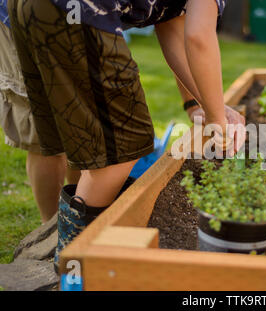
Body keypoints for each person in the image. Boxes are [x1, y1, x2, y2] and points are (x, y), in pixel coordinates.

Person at [6, 0, 245, 269]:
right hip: (77, 11)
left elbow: (172, 28)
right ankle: (74, 269)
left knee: (88, 141)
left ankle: (69, 255)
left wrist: (206, 106)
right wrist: (218, 123)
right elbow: (199, 38)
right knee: (122, 148)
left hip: (30, 8)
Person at [0, 2, 80, 224]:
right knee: (43, 131)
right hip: (23, 15)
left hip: (84, 18)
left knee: (83, 119)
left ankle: (78, 222)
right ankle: (50, 231)